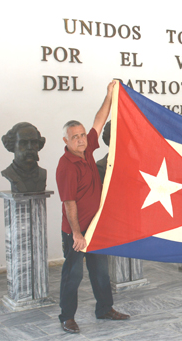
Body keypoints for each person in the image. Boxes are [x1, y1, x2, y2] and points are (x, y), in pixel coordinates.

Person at [56, 81, 129, 334]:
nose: (80, 139)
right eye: (75, 137)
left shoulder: (87, 150)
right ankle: (67, 317)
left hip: (96, 227)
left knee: (100, 273)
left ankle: (105, 309)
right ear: (66, 140)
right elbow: (69, 203)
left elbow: (100, 118)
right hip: (76, 231)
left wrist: (109, 95)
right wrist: (77, 234)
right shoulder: (66, 166)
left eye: (82, 135)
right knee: (73, 276)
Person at [1, 122, 47, 192]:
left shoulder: (42, 174)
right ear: (12, 145)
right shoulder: (9, 173)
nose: (30, 147)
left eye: (34, 142)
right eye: (23, 143)